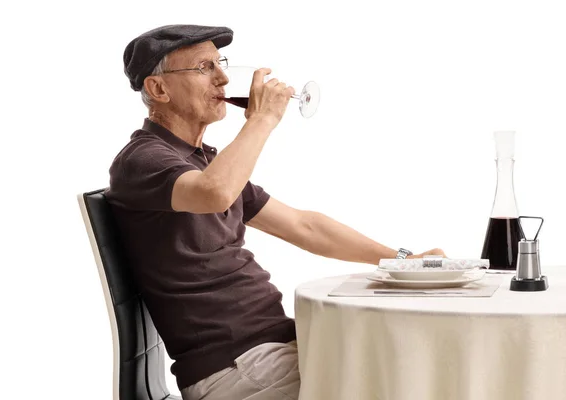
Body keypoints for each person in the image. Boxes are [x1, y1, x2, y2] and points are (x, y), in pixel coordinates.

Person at [105, 24, 446, 400]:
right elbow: (213, 193)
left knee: (417, 365)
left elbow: (305, 227)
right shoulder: (143, 160)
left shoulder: (202, 163)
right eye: (204, 68)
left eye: (221, 64)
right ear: (158, 89)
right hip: (234, 368)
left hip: (270, 349)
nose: (222, 78)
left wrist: (404, 261)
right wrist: (262, 119)